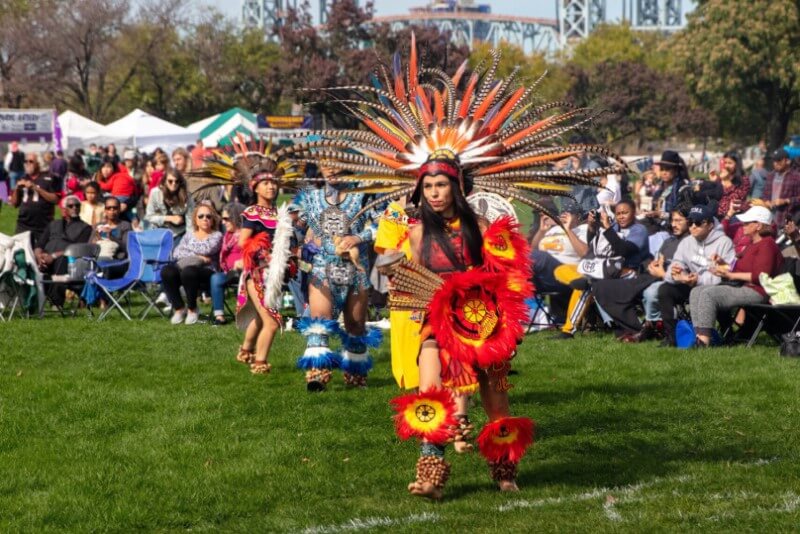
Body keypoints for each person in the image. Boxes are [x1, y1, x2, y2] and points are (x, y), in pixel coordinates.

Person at [294, 165, 386, 390]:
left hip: (356, 270)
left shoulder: (364, 195)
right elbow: (295, 224)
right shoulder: (310, 197)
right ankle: (317, 375)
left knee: (355, 325)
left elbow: (384, 223)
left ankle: (355, 376)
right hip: (323, 269)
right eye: (325, 162)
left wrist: (358, 237)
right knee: (319, 321)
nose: (330, 168)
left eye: (335, 161)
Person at [553, 199, 649, 339]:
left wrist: (608, 228)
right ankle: (568, 331)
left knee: (589, 285)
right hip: (609, 271)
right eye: (618, 213)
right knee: (573, 276)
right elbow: (595, 246)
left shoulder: (638, 230)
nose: (621, 216)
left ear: (633, 213)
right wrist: (593, 227)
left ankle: (568, 330)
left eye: (625, 213)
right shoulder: (615, 227)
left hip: (632, 274)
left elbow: (623, 250)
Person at [593, 205, 691, 342]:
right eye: (673, 220)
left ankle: (644, 328)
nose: (674, 224)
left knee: (646, 291)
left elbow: (624, 250)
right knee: (602, 286)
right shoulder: (669, 241)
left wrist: (661, 270)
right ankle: (626, 326)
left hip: (668, 280)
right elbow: (656, 260)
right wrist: (653, 264)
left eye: (679, 221)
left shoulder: (639, 230)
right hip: (648, 275)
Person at [690, 206, 783, 346]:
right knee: (696, 291)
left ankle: (704, 342)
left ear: (758, 225)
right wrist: (723, 265)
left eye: (746, 223)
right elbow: (739, 267)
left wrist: (731, 275)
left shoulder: (767, 245)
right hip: (744, 287)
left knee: (709, 294)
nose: (742, 225)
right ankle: (699, 336)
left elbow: (761, 276)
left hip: (759, 291)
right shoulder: (752, 244)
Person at [659, 204, 735, 347]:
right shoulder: (686, 242)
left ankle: (726, 333)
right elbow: (674, 266)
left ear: (710, 225)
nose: (693, 226)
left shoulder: (724, 243)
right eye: (690, 222)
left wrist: (698, 280)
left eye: (698, 223)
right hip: (691, 283)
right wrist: (678, 275)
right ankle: (671, 337)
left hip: (718, 286)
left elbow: (725, 275)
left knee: (707, 292)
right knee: (665, 289)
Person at [161, 202, 223, 325]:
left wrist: (189, 249)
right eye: (201, 216)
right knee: (167, 271)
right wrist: (198, 257)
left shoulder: (217, 235)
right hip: (186, 271)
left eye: (208, 216)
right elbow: (177, 253)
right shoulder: (189, 235)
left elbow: (207, 249)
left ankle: (192, 309)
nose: (205, 219)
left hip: (208, 272)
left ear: (213, 219)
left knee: (188, 271)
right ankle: (179, 308)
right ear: (195, 219)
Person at [34, 195, 92, 305]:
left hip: (68, 261)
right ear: (64, 209)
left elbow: (77, 248)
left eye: (77, 205)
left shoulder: (85, 228)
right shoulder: (53, 224)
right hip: (44, 259)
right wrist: (39, 256)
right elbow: (40, 244)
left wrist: (54, 256)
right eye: (71, 206)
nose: (74, 208)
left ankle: (56, 303)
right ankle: (30, 302)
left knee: (61, 261)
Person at [11, 153, 61, 246]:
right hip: (23, 224)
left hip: (42, 225)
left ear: (39, 163)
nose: (27, 163)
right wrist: (17, 189)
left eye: (31, 161)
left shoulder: (49, 178)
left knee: (40, 254)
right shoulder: (23, 178)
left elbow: (55, 200)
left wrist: (36, 188)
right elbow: (14, 204)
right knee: (19, 254)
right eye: (26, 161)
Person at [210, 202, 244, 326]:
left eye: (226, 219)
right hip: (228, 272)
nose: (223, 222)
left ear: (235, 217)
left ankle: (243, 313)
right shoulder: (227, 236)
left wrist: (242, 262)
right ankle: (219, 316)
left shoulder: (246, 234)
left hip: (244, 272)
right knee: (215, 278)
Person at [754, 148, 800, 227]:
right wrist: (766, 201)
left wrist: (786, 201)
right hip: (769, 219)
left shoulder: (796, 177)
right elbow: (765, 195)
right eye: (774, 160)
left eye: (778, 160)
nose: (775, 163)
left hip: (787, 221)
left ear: (787, 161)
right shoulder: (771, 175)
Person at [145, 169, 188, 241]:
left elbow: (190, 219)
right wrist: (170, 218)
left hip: (178, 232)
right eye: (170, 181)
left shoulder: (186, 195)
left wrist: (188, 239)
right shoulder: (155, 193)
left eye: (176, 181)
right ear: (164, 181)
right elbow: (149, 217)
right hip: (159, 230)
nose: (174, 183)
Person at [710, 151, 749, 219]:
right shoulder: (721, 178)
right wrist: (714, 182)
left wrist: (725, 180)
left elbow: (737, 198)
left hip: (734, 216)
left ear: (737, 164)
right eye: (725, 163)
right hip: (717, 215)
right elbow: (715, 196)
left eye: (730, 163)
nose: (726, 166)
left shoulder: (743, 179)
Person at [93, 196, 132, 261]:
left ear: (119, 209)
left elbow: (127, 247)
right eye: (109, 208)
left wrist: (111, 237)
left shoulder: (125, 225)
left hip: (117, 260)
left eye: (115, 208)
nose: (112, 210)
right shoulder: (99, 225)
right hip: (97, 256)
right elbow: (88, 246)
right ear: (105, 210)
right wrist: (96, 239)